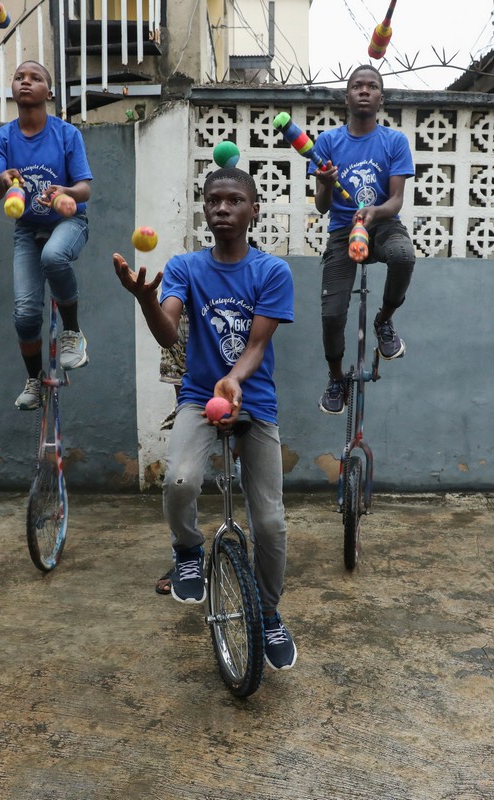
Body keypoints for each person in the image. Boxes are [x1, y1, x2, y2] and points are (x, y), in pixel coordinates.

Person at [113, 167, 298, 671]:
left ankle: (267, 610)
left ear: (253, 209)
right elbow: (169, 333)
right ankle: (188, 549)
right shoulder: (185, 267)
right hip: (199, 397)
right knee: (178, 479)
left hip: (253, 401)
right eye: (213, 200)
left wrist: (234, 380)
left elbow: (257, 343)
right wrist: (148, 301)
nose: (222, 208)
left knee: (272, 523)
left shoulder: (271, 272)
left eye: (234, 200)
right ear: (204, 209)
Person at [0, 59, 93, 410]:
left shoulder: (66, 134)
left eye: (35, 78)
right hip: (28, 228)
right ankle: (34, 381)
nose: (25, 82)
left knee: (54, 256)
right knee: (25, 314)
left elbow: (84, 189)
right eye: (19, 77)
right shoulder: (1, 139)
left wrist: (64, 192)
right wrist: (2, 181)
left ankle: (73, 334)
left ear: (50, 92)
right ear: (13, 89)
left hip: (69, 221)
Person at [310, 63, 416, 414]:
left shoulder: (394, 141)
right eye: (358, 86)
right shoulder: (328, 142)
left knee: (403, 256)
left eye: (372, 86)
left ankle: (384, 320)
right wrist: (325, 183)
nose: (365, 90)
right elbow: (322, 207)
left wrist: (374, 213)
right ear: (347, 97)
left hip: (382, 223)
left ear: (381, 98)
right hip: (342, 230)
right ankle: (336, 377)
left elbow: (396, 200)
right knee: (331, 315)